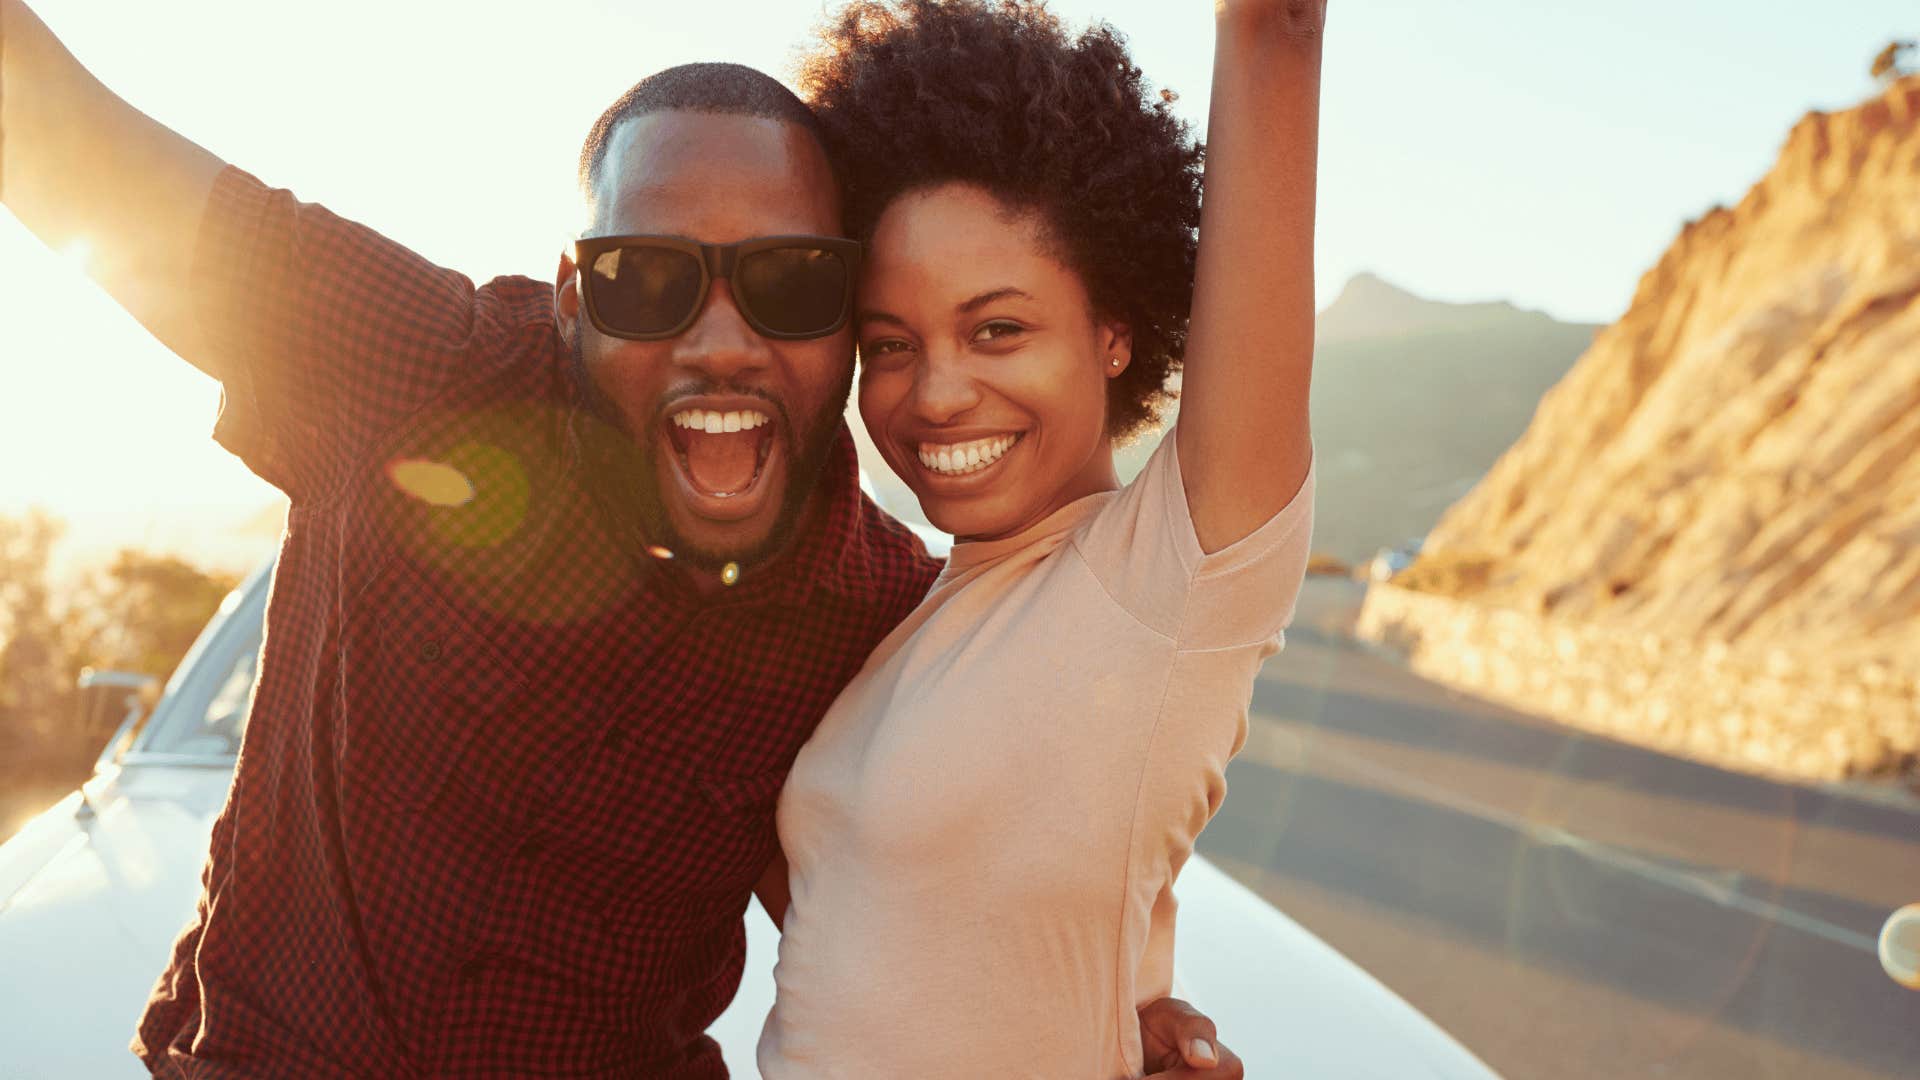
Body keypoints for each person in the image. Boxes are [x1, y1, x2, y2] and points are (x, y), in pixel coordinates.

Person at [0, 2, 1235, 1075]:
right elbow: (57, 134)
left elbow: (897, 906)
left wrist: (1118, 1027)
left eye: (789, 282)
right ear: (574, 297)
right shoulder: (420, 370)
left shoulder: (878, 620)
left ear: (852, 318)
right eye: (648, 281)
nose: (721, 343)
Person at [755, 1, 1322, 1076]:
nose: (938, 394)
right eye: (891, 344)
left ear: (1115, 332)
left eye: (997, 329)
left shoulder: (1170, 578)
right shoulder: (914, 616)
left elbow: (1276, 33)